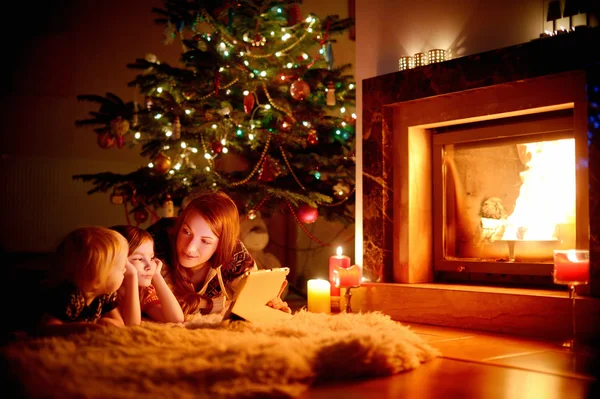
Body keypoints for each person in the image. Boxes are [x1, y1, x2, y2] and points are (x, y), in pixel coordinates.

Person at [147, 190, 291, 319]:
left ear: (221, 244)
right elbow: (167, 306)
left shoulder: (234, 253)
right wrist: (215, 304)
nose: (190, 248)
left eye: (205, 241)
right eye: (186, 232)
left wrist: (267, 302)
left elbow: (251, 299)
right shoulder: (156, 244)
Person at [37, 226, 129, 335]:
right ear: (97, 277)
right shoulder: (69, 295)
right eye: (120, 267)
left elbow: (120, 323)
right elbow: (46, 328)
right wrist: (82, 328)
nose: (125, 270)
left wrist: (107, 322)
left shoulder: (105, 294)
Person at [109, 225, 184, 325]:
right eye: (139, 259)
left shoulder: (143, 291)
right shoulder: (107, 291)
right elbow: (131, 324)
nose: (149, 266)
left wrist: (157, 276)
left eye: (152, 258)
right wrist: (132, 276)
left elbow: (176, 319)